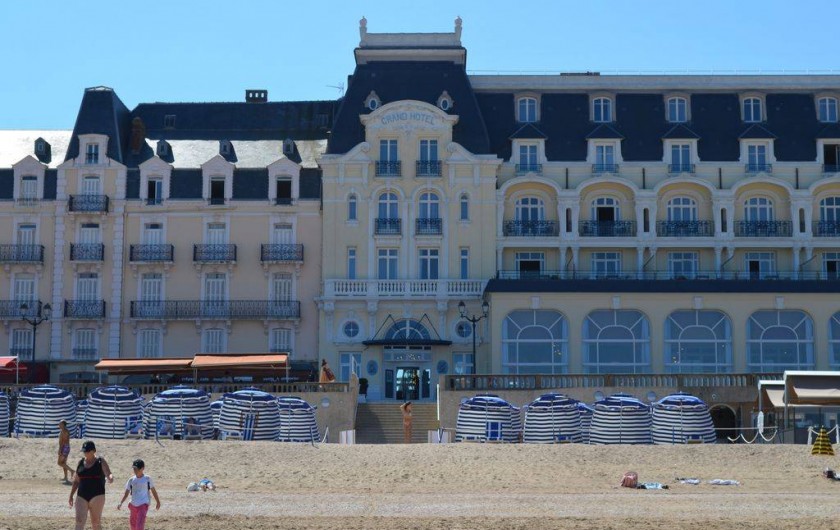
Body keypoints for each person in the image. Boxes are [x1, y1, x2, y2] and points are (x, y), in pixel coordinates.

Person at [69, 440, 114, 530]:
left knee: (95, 522)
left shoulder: (100, 461)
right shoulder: (80, 463)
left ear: (94, 451)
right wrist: (71, 495)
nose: (85, 453)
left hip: (97, 495)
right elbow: (76, 481)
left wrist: (110, 477)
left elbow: (108, 473)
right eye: (84, 451)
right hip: (81, 495)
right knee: (79, 521)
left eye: (87, 451)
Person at [117, 459, 161, 530]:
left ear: (142, 468)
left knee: (139, 526)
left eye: (137, 469)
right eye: (134, 469)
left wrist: (158, 502)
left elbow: (153, 491)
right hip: (133, 505)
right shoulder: (131, 480)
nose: (135, 471)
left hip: (143, 505)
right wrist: (121, 503)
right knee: (133, 526)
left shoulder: (147, 479)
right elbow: (126, 493)